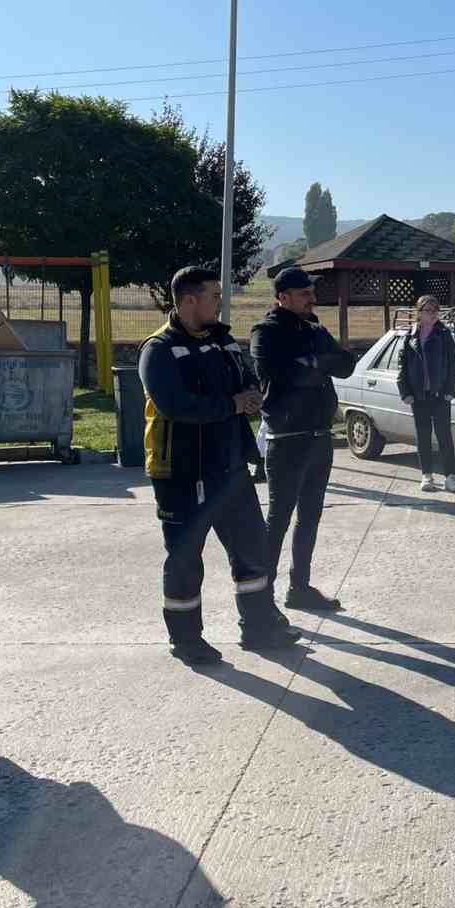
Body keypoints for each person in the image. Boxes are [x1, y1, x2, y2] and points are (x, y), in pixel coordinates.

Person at [138, 266, 299, 664]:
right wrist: (232, 404)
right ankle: (187, 641)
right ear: (189, 300)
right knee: (184, 560)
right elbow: (175, 405)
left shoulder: (223, 342)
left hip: (229, 468)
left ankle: (259, 628)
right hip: (182, 473)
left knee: (253, 550)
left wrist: (251, 396)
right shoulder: (158, 350)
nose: (220, 302)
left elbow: (247, 378)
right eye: (213, 295)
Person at [250, 267, 356, 610]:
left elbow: (346, 364)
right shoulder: (265, 332)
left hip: (320, 437)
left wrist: (312, 362)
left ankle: (300, 589)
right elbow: (282, 374)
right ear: (283, 297)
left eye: (311, 291)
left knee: (310, 516)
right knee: (278, 519)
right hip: (287, 439)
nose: (312, 297)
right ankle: (261, 595)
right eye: (304, 293)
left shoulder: (314, 327)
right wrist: (317, 365)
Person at [397, 296, 455, 493]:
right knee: (423, 437)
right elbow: (402, 367)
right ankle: (426, 476)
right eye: (428, 310)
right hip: (419, 397)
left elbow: (454, 364)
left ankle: (450, 477)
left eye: (435, 310)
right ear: (419, 313)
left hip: (441, 396)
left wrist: (450, 391)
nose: (433, 313)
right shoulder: (410, 336)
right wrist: (405, 392)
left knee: (444, 437)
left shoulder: (444, 333)